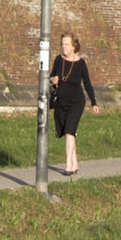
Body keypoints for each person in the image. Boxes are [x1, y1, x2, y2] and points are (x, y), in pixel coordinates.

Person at [49, 31, 99, 178]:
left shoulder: (81, 63)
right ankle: (75, 163)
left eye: (67, 44)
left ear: (73, 47)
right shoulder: (58, 60)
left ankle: (69, 166)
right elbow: (51, 76)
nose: (64, 47)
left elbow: (88, 83)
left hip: (76, 102)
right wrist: (53, 80)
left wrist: (93, 102)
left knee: (70, 132)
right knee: (66, 133)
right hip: (61, 102)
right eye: (62, 44)